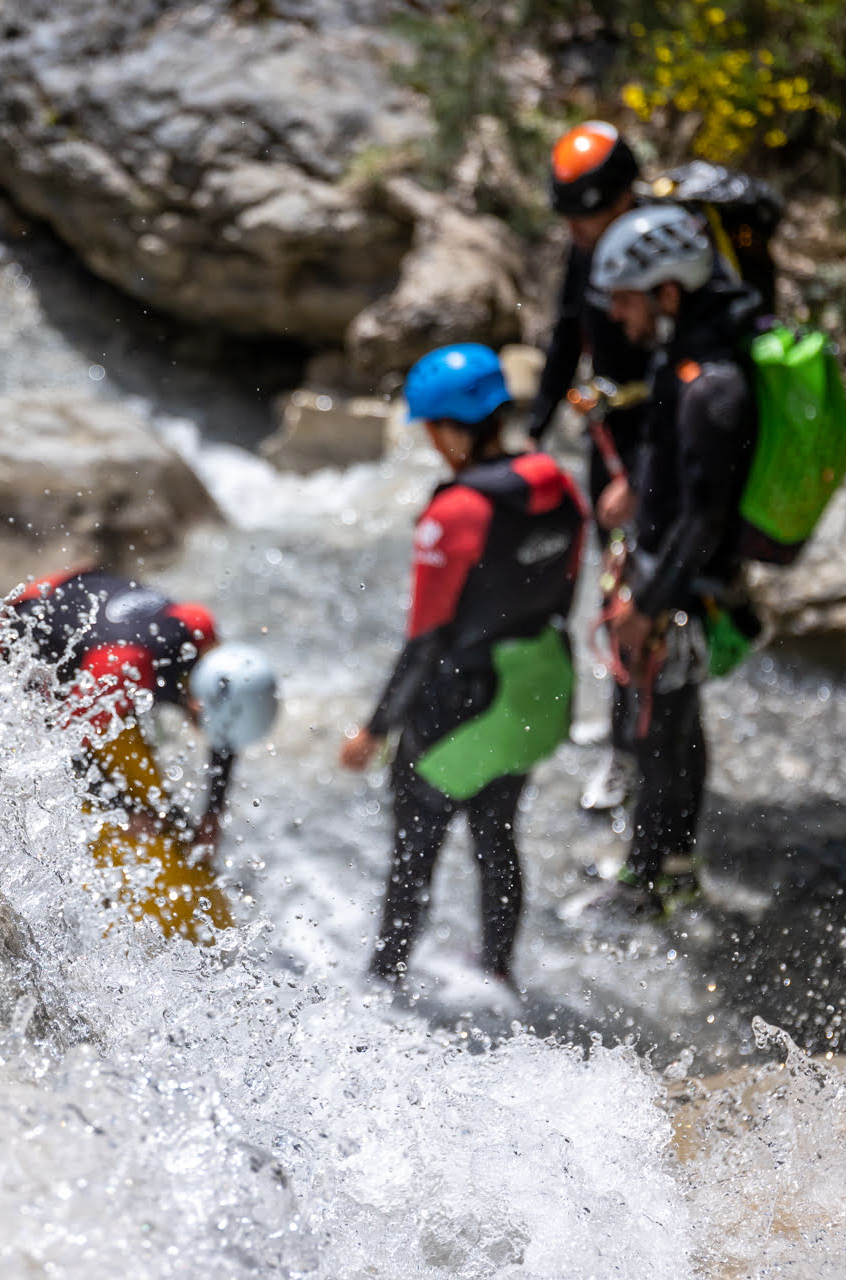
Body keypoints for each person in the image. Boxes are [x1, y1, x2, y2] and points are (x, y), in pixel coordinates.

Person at [340, 345, 587, 987]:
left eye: (429, 428)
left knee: (415, 851)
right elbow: (563, 592)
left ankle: (383, 980)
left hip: (456, 706)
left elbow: (424, 639)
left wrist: (374, 728)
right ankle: (499, 973)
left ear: (451, 428)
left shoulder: (455, 513)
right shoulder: (556, 483)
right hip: (531, 694)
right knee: (497, 835)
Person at [587, 203, 764, 918]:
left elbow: (705, 516)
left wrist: (647, 605)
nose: (620, 319)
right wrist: (635, 482)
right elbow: (679, 468)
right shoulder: (689, 354)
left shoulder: (713, 384)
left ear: (668, 291)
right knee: (673, 728)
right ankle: (678, 871)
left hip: (683, 590)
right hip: (677, 578)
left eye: (628, 301)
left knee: (658, 735)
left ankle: (642, 884)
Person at [0, 569, 276, 943]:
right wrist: (125, 812)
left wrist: (213, 813)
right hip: (24, 626)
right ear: (196, 702)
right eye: (208, 726)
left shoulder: (203, 634)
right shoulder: (121, 668)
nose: (209, 737)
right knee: (134, 820)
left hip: (81, 598)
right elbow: (66, 747)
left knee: (156, 812)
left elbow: (226, 729)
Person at [528, 120, 654, 814]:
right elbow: (565, 333)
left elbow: (687, 376)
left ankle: (633, 753)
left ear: (628, 197)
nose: (579, 233)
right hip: (609, 439)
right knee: (611, 593)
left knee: (640, 600)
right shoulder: (588, 246)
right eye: (570, 221)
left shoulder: (664, 254)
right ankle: (621, 733)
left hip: (655, 451)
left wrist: (643, 482)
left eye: (591, 217)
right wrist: (535, 427)